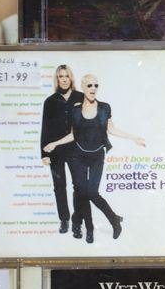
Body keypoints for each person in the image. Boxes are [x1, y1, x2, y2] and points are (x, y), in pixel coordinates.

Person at [42, 73, 146, 243]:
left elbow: (112, 129)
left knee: (92, 192)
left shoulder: (104, 107)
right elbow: (73, 135)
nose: (93, 88)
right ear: (83, 87)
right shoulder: (76, 110)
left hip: (97, 156)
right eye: (89, 85)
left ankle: (114, 220)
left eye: (96, 85)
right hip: (78, 156)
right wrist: (54, 144)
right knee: (82, 192)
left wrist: (132, 137)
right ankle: (89, 228)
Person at [40, 64, 82, 235]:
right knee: (59, 186)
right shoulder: (50, 101)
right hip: (55, 150)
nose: (64, 79)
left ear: (71, 78)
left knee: (79, 186)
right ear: (57, 80)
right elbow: (45, 128)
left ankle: (77, 221)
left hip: (76, 149)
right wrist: (44, 153)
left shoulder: (81, 97)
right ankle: (64, 219)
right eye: (60, 76)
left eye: (66, 76)